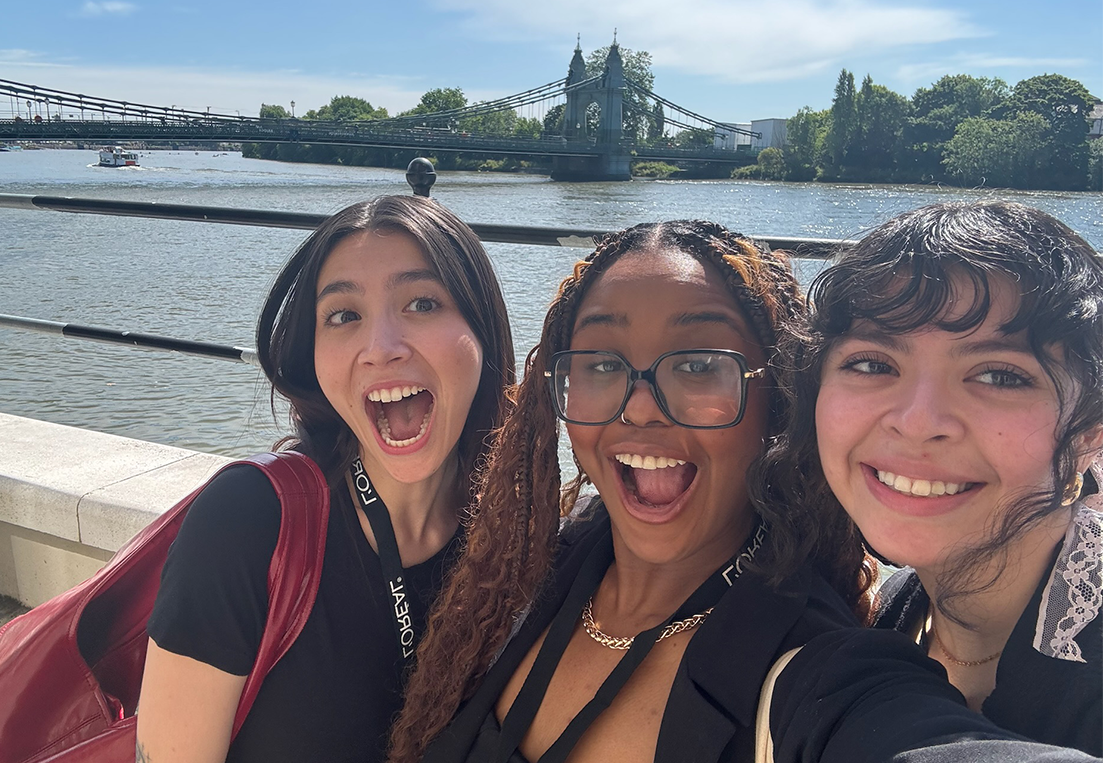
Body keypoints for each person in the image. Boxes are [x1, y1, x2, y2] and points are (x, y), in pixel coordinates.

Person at [387, 219, 876, 763]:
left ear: (780, 398)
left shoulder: (820, 676)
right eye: (602, 364)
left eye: (696, 365)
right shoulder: (521, 578)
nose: (639, 407)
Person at [134, 195, 516, 763]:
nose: (381, 348)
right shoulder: (247, 521)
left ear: (481, 333)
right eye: (343, 315)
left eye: (421, 302)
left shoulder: (514, 535)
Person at [761, 201, 1103, 755]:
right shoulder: (892, 605)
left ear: (1091, 430)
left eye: (998, 375)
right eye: (872, 364)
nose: (917, 423)